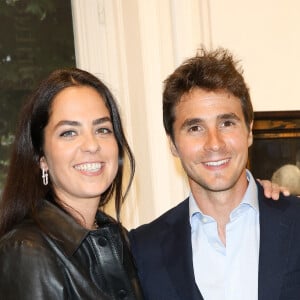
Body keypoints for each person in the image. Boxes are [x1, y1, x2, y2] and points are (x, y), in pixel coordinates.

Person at [129, 48, 300, 300]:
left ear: (249, 131)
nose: (214, 143)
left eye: (226, 123)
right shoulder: (143, 249)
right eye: (195, 127)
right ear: (173, 144)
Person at [0, 68, 144, 299]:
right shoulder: (27, 251)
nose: (91, 145)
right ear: (42, 158)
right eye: (69, 133)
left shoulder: (121, 239)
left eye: (103, 129)